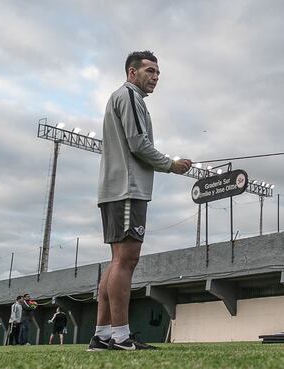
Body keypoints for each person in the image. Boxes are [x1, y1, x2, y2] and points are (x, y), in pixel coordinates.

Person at [88, 51, 192, 352]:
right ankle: (121, 337)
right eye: (149, 70)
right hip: (127, 189)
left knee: (117, 260)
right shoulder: (130, 96)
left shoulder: (121, 98)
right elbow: (138, 144)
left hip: (115, 190)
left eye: (158, 72)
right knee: (127, 259)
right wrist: (170, 164)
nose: (155, 77)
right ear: (132, 73)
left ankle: (102, 335)